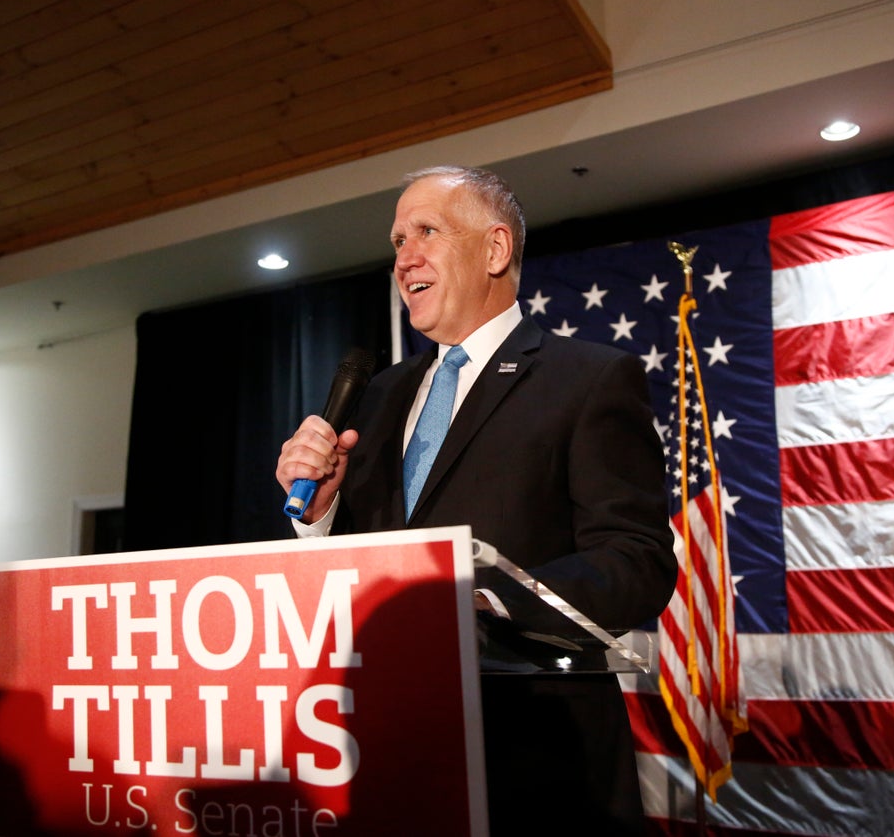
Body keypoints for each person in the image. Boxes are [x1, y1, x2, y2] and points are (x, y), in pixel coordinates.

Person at [276, 165, 676, 835]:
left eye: (425, 232)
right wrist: (319, 518)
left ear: (494, 250)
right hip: (388, 749)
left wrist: (486, 594)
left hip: (538, 763)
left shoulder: (589, 379)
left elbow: (636, 561)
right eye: (397, 240)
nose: (404, 259)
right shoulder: (378, 395)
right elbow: (370, 569)